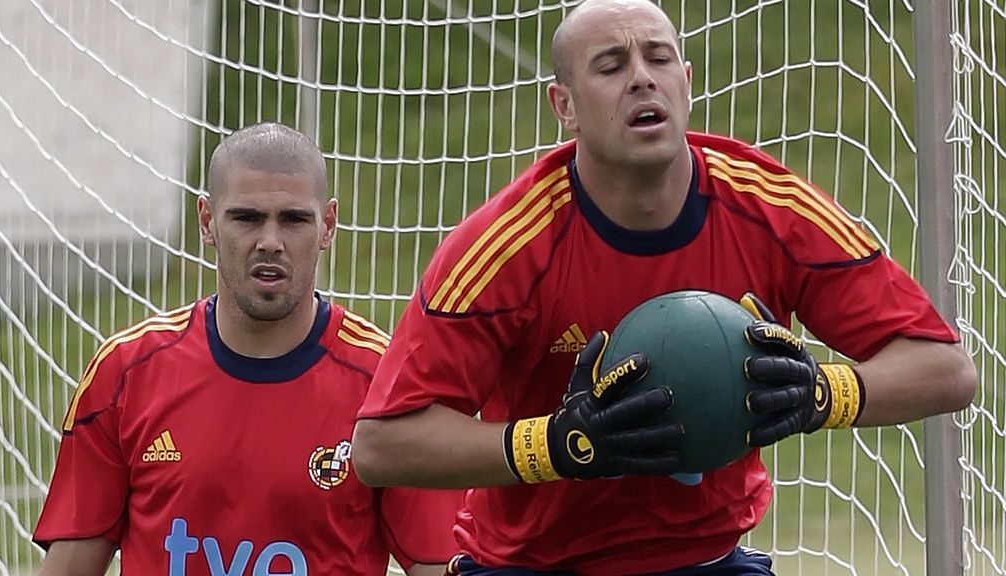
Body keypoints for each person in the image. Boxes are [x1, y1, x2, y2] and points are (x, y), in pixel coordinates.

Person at [350, 0, 979, 574]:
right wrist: (559, 444)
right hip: (528, 564)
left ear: (686, 80)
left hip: (710, 560)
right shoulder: (505, 247)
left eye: (658, 57)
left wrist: (824, 394)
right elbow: (383, 445)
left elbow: (946, 370)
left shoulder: (770, 208)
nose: (642, 78)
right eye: (610, 65)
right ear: (563, 105)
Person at [33, 122, 462, 576]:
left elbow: (438, 565)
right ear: (207, 222)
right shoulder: (125, 373)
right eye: (247, 217)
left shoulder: (386, 385)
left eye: (294, 219)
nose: (270, 242)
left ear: (328, 226)